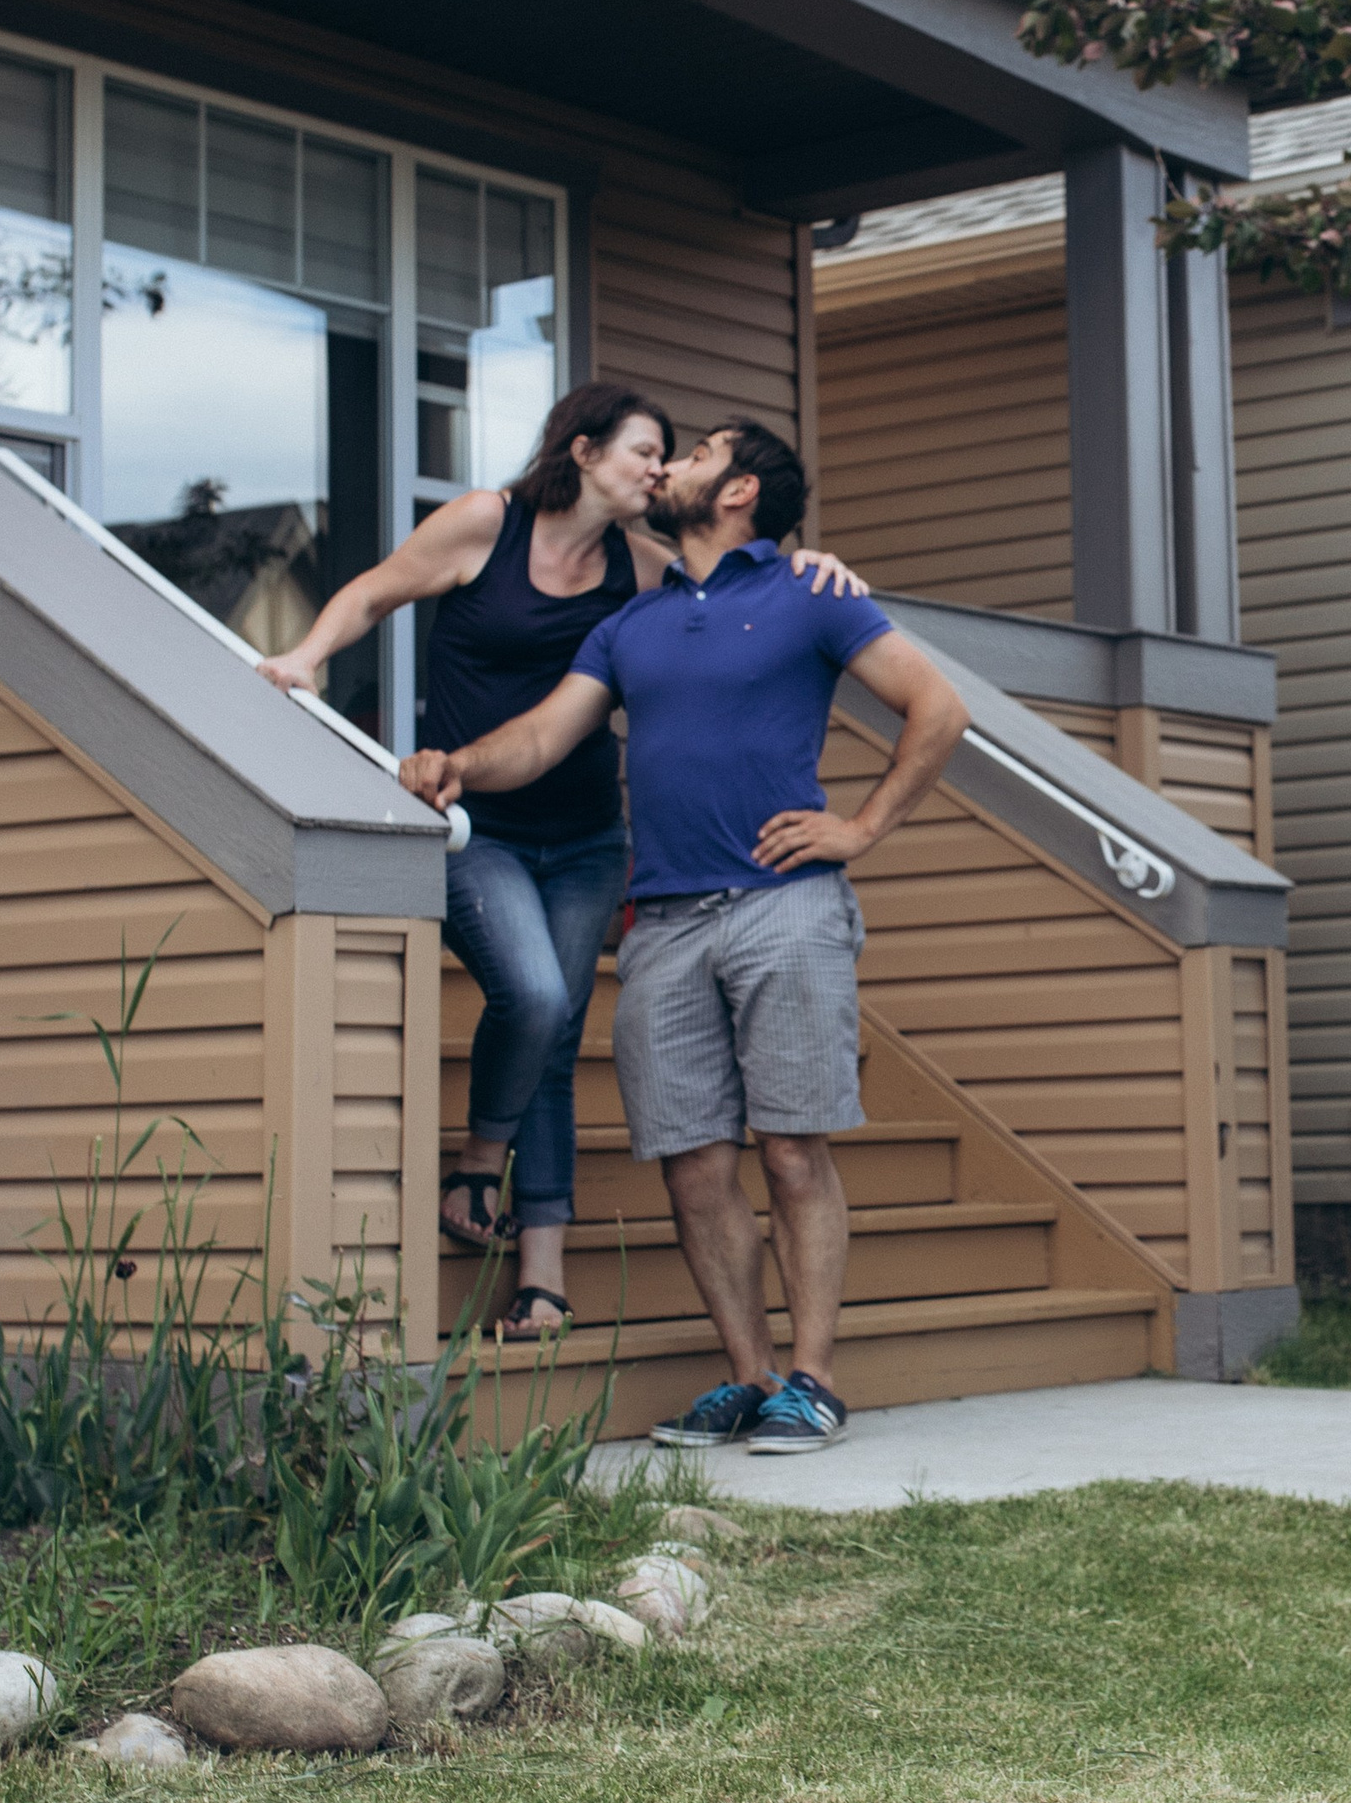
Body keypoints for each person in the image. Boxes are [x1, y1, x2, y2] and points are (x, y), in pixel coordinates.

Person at [398, 417, 969, 1453]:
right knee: (694, 1166)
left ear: (742, 489)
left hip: (783, 906)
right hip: (660, 920)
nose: (672, 465)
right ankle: (747, 1377)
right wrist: (456, 765)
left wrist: (862, 827)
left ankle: (813, 1378)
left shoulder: (808, 593)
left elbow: (937, 707)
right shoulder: (630, 624)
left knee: (793, 1149)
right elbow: (540, 737)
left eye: (698, 452)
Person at [254, 384, 869, 1340]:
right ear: (581, 451)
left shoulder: (642, 564)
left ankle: (542, 1275)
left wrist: (813, 561)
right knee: (535, 996)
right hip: (475, 820)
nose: (659, 467)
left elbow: (742, 570)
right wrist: (305, 656)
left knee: (558, 1024)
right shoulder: (485, 525)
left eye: (677, 454)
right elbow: (376, 588)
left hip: (588, 833)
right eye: (643, 451)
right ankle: (477, 1160)